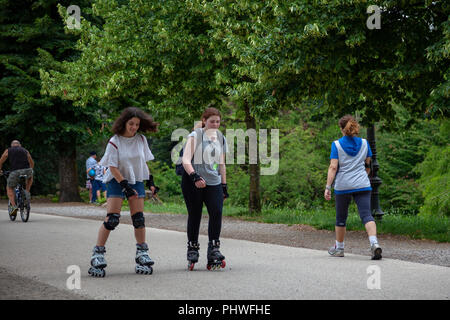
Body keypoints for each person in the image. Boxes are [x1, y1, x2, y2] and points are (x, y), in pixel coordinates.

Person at [87, 107, 159, 277]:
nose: (133, 127)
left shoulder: (141, 139)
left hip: (136, 180)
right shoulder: (115, 141)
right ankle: (98, 254)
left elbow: (143, 163)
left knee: (139, 218)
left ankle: (142, 253)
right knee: (112, 219)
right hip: (116, 180)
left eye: (136, 124)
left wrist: (151, 181)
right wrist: (125, 186)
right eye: (131, 124)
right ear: (124, 123)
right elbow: (111, 166)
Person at [324, 115, 382, 260]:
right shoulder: (364, 143)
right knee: (366, 215)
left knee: (341, 217)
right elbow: (368, 165)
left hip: (343, 186)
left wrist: (327, 187)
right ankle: (374, 244)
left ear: (341, 129)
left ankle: (340, 248)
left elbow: (333, 167)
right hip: (362, 184)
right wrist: (362, 176)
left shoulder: (336, 145)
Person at [181, 107, 229, 271]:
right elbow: (186, 160)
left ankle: (214, 249)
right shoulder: (195, 135)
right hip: (192, 181)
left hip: (213, 181)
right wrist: (195, 176)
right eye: (212, 121)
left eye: (218, 121)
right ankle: (192, 248)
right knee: (195, 214)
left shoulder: (221, 137)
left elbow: (221, 163)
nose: (215, 124)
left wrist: (224, 185)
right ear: (204, 121)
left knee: (216, 212)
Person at [0, 140, 34, 217]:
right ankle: (27, 192)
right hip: (27, 170)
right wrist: (31, 169)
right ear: (20, 145)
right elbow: (30, 160)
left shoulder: (9, 150)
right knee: (30, 178)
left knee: (9, 188)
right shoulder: (25, 150)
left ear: (12, 145)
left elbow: (1, 160)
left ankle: (14, 207)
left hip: (15, 172)